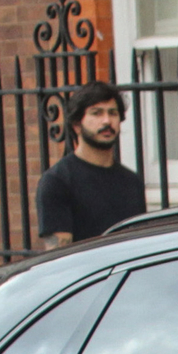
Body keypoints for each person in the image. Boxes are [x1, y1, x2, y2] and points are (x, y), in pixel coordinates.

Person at [35, 81, 146, 248]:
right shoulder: (57, 182)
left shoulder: (132, 182)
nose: (107, 121)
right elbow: (57, 257)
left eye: (113, 113)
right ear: (77, 125)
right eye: (96, 113)